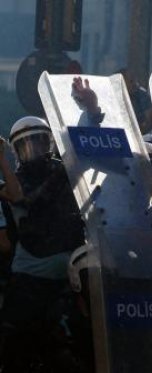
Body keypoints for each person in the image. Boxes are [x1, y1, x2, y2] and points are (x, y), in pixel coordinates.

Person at [0, 116, 90, 372]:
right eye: (27, 145)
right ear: (17, 151)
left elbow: (87, 148)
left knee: (83, 341)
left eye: (39, 142)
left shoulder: (66, 171)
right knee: (14, 343)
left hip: (73, 277)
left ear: (50, 142)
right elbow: (23, 198)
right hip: (30, 278)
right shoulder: (18, 180)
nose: (35, 150)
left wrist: (92, 111)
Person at [117, 68, 152, 134]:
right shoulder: (113, 97)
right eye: (131, 81)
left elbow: (148, 121)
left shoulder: (142, 95)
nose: (136, 84)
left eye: (135, 81)